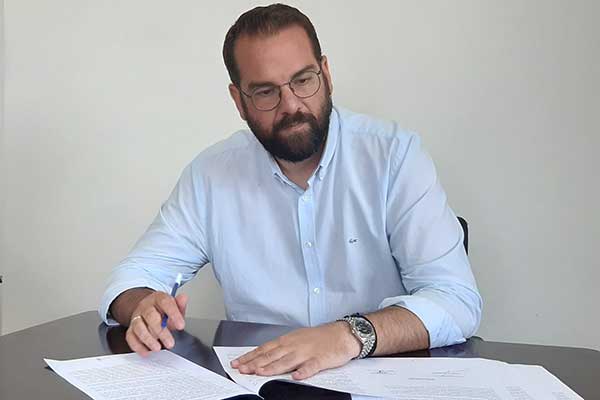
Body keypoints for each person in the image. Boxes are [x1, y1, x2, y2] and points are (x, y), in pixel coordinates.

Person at [99, 3, 482, 380]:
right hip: (261, 383)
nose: (291, 105)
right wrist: (141, 306)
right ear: (239, 100)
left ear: (326, 74)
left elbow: (456, 300)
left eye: (303, 80)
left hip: (379, 382)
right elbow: (132, 278)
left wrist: (347, 335)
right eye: (266, 92)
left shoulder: (394, 157)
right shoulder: (211, 175)